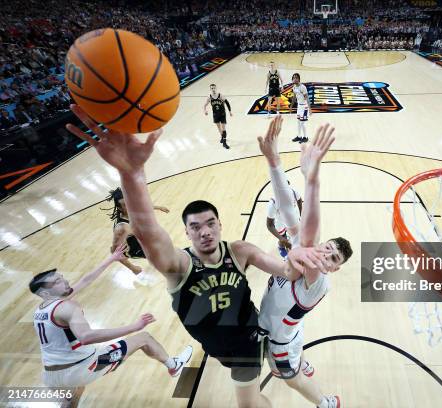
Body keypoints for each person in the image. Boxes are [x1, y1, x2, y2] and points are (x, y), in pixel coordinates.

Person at [66, 104, 329, 408]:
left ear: (220, 225)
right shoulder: (179, 265)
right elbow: (148, 232)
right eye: (196, 227)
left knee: (250, 405)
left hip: (247, 341)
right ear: (187, 233)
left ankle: (303, 379)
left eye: (210, 224)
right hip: (219, 347)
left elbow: (288, 270)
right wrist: (132, 175)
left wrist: (301, 234)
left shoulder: (239, 251)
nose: (205, 231)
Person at [257, 116, 353, 408]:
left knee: (291, 378)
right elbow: (287, 206)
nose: (326, 255)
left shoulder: (318, 282)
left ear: (334, 269)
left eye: (333, 258)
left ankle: (325, 403)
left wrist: (313, 180)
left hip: (280, 341)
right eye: (328, 249)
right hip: (290, 330)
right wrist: (274, 163)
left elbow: (310, 238)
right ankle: (305, 362)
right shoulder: (307, 249)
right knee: (297, 342)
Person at [30, 244, 192, 407]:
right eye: (57, 281)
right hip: (84, 367)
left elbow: (86, 280)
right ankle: (174, 366)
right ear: (45, 293)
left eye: (62, 276)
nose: (64, 280)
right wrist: (134, 326)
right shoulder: (68, 307)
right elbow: (86, 337)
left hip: (51, 375)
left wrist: (111, 259)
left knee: (73, 397)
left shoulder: (41, 309)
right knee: (144, 338)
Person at [105, 187, 169, 277]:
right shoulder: (122, 228)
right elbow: (114, 252)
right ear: (119, 208)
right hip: (134, 248)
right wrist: (133, 268)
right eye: (125, 205)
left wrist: (158, 207)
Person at [267, 181, 302, 259]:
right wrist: (281, 238)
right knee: (284, 240)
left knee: (297, 236)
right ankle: (281, 247)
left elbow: (299, 200)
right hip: (281, 222)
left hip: (294, 218)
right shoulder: (273, 203)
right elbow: (269, 225)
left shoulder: (293, 192)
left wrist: (301, 214)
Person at [203, 84, 232, 149]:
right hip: (215, 114)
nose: (213, 89)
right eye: (212, 88)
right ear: (210, 89)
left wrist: (230, 111)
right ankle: (222, 137)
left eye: (214, 88)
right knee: (219, 128)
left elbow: (227, 102)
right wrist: (205, 111)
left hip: (222, 113)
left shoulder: (220, 95)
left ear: (216, 88)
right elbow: (205, 105)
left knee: (223, 128)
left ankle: (224, 143)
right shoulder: (209, 97)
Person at [290, 73, 311, 144]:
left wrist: (310, 109)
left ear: (299, 79)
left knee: (302, 123)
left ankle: (305, 137)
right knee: (298, 122)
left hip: (304, 107)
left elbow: (307, 98)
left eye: (296, 78)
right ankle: (299, 136)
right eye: (293, 78)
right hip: (299, 106)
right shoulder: (294, 87)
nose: (294, 79)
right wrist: (291, 106)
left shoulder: (303, 87)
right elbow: (294, 97)